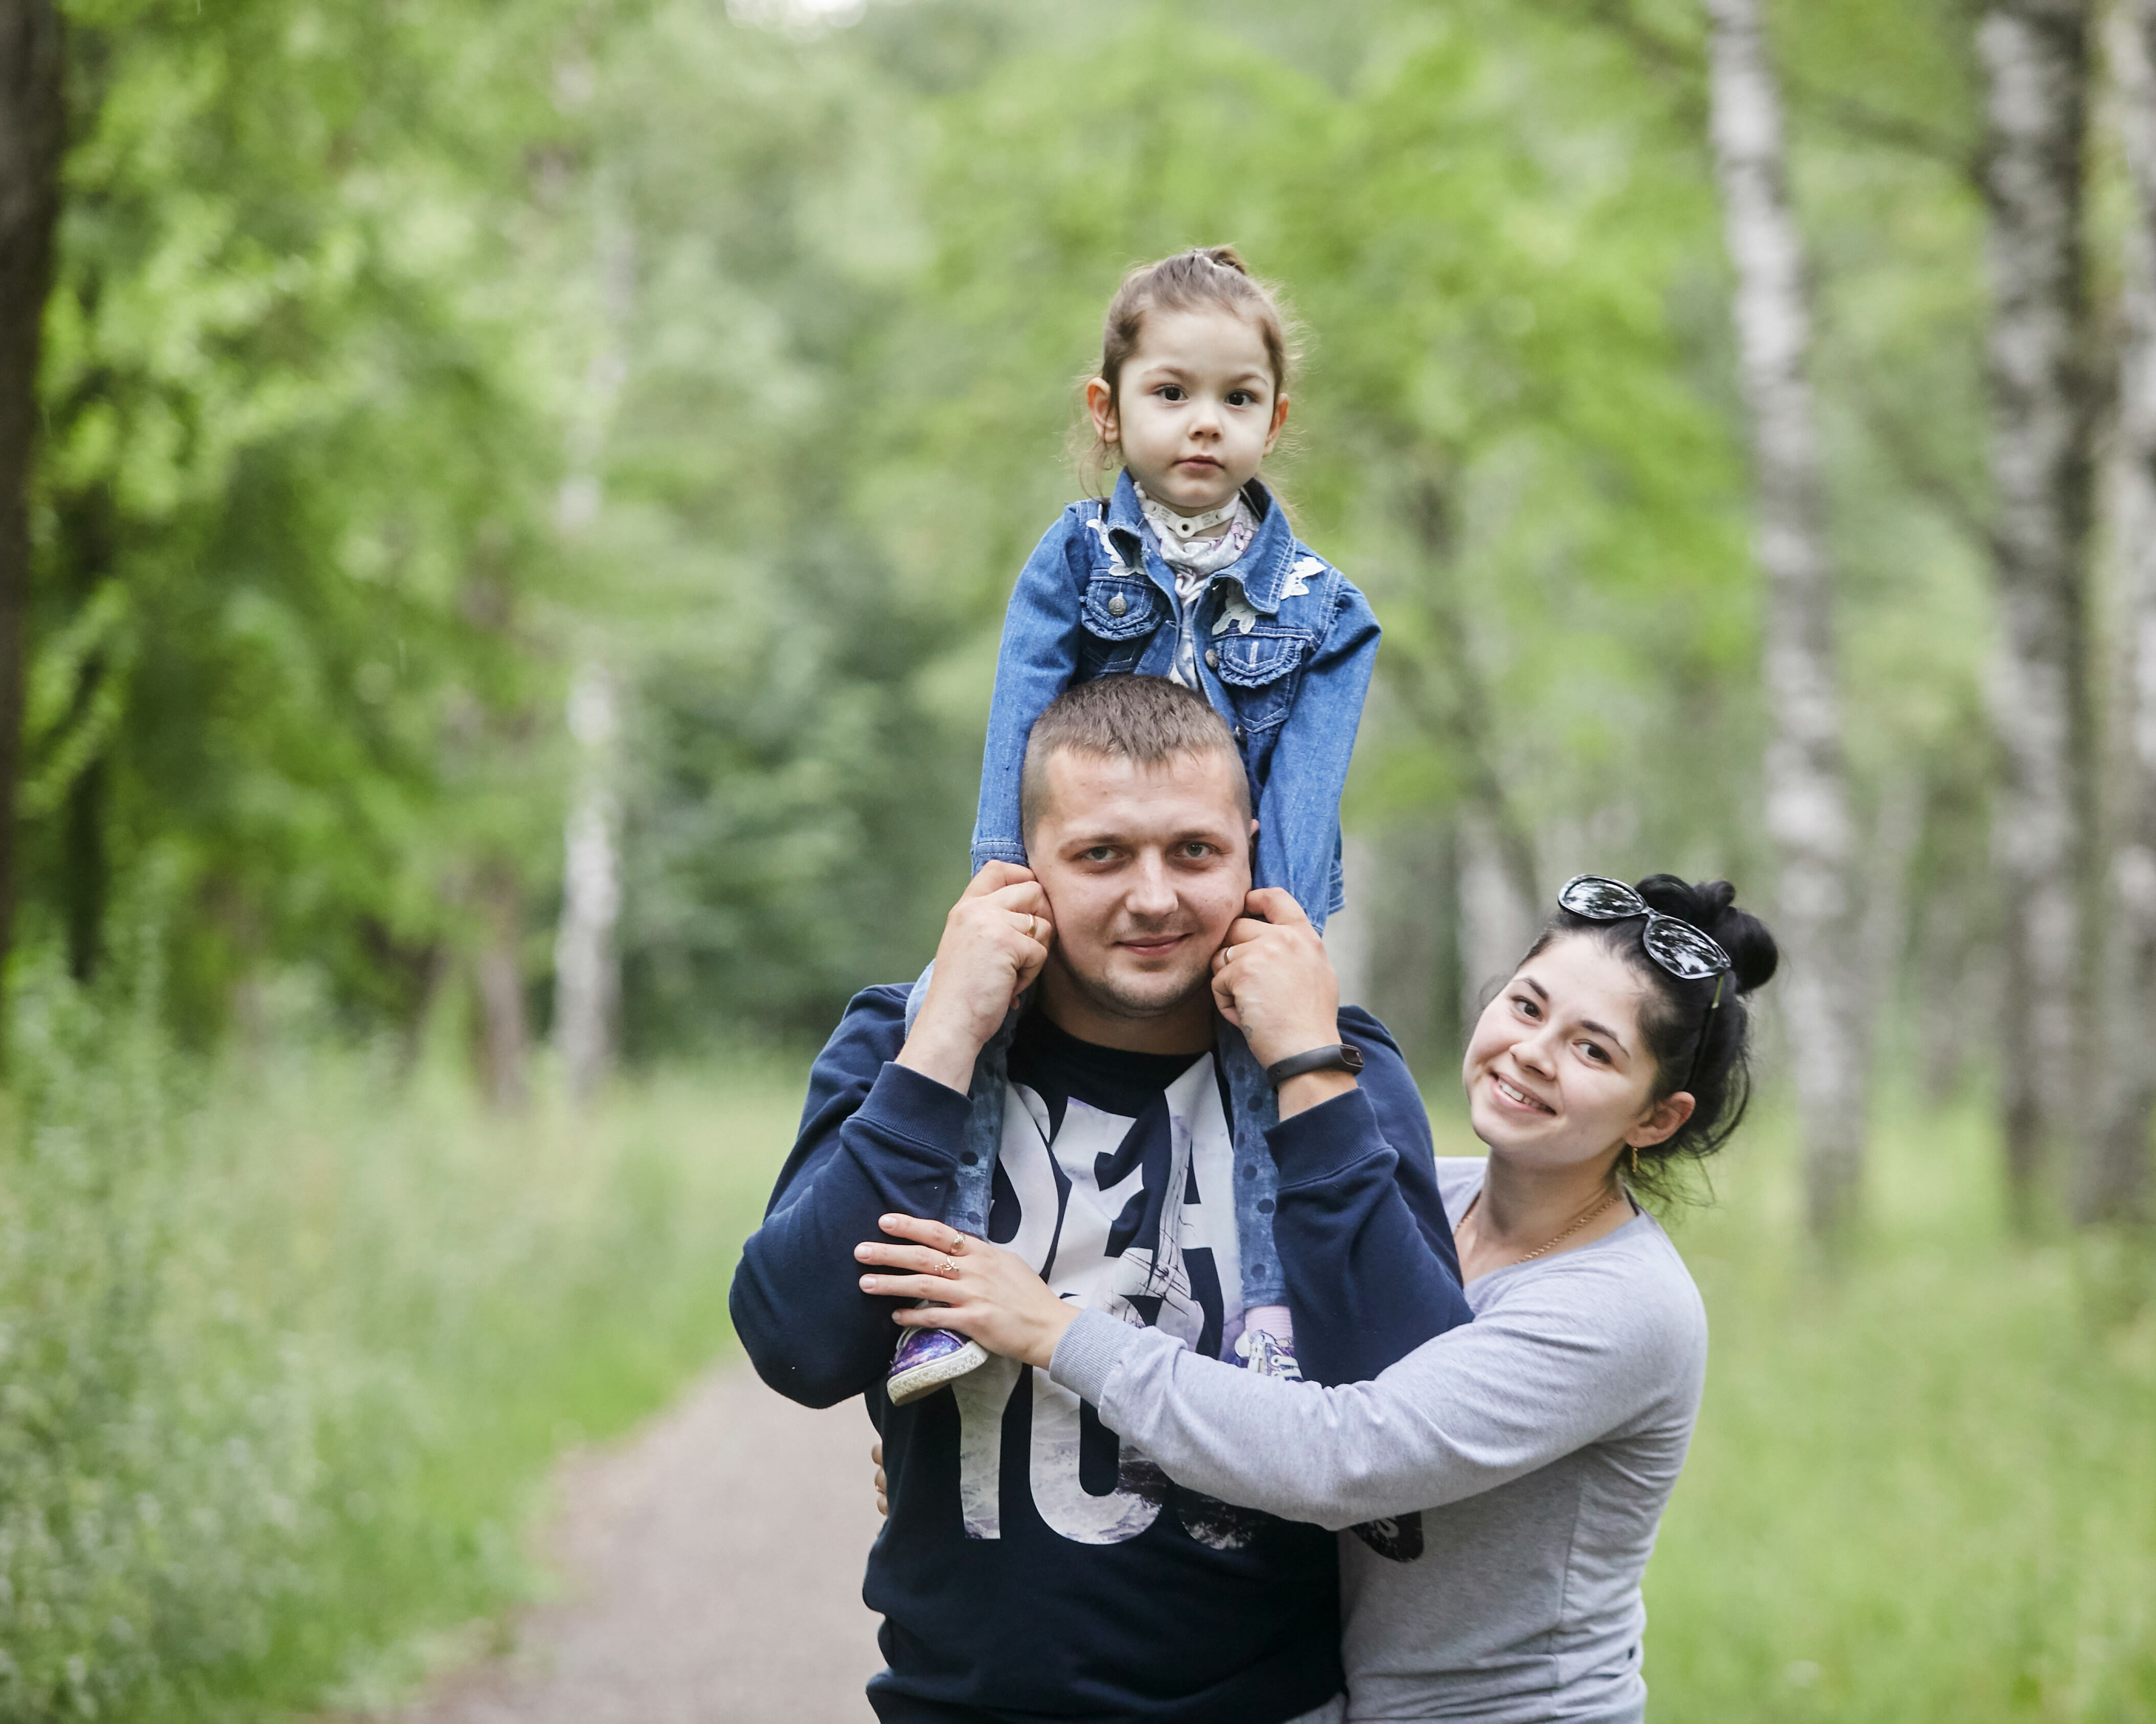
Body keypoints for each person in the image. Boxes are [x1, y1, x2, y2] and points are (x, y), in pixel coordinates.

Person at [853, 873, 1775, 1723]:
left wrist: (1057, 1333)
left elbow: (1341, 1454)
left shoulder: (1624, 1306)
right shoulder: (1420, 1201)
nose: (1532, 1053)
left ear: (1657, 1117)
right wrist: (999, 1445)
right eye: (1528, 1006)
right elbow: (1241, 1370)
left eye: (1593, 1050)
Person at [729, 674, 1467, 1724]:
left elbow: (1420, 1422)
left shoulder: (1332, 1065)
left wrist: (1306, 1064)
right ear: (1025, 866)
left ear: (1251, 852)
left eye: (1195, 851)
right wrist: (946, 1038)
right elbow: (797, 1348)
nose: (1155, 898)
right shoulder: (908, 1042)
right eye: (1102, 855)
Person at [883, 244, 1380, 1407]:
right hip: (1079, 882)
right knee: (945, 1010)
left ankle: (1269, 1312)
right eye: (1172, 393)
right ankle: (945, 1291)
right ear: (1108, 412)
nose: (1206, 422)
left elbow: (1308, 780)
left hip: (1228, 899)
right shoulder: (1075, 557)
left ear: (1274, 420)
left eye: (1238, 399)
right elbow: (1021, 716)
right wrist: (999, 878)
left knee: (1269, 1062)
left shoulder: (1324, 607)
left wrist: (1280, 925)